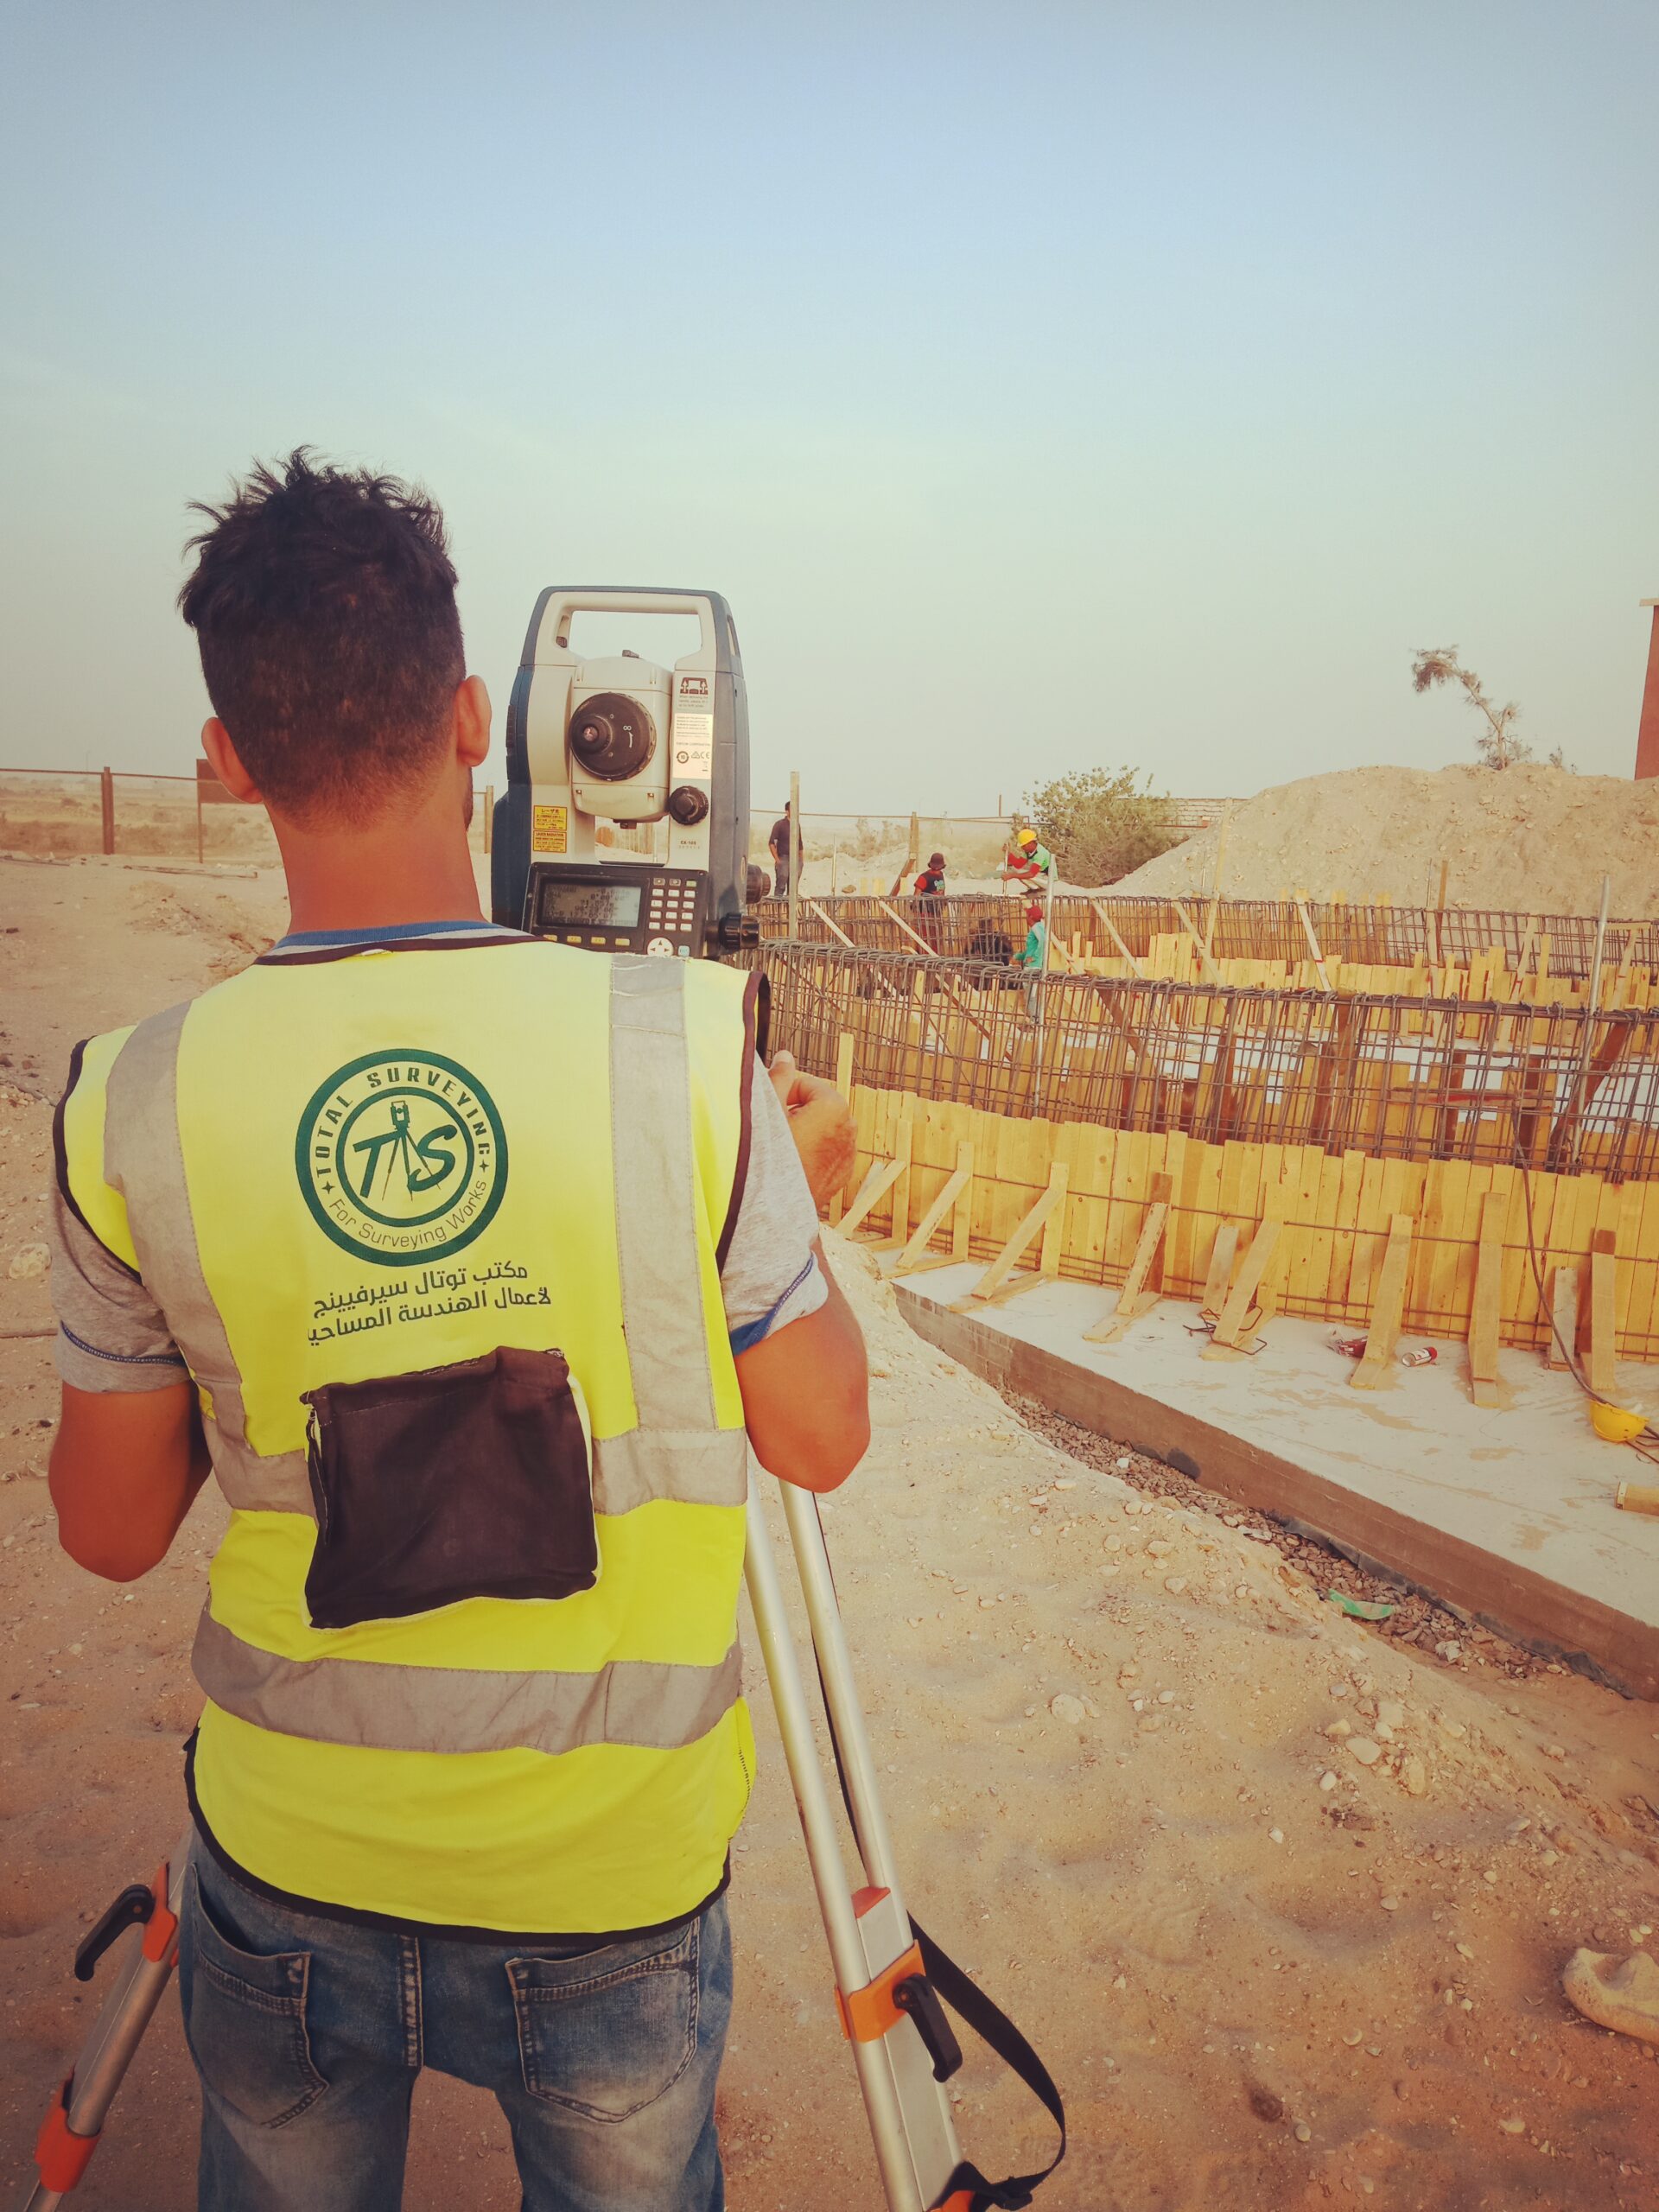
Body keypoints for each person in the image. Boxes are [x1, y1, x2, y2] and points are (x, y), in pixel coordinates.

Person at [45, 450, 870, 2212]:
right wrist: (779, 1199)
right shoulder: (683, 1051)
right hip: (610, 1886)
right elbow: (820, 1435)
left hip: (288, 1868)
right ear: (478, 718)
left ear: (226, 758)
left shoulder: (130, 1102)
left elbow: (108, 1531)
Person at [999, 824, 1052, 890]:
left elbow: (1031, 874)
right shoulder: (1028, 852)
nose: (1022, 848)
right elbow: (1018, 865)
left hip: (1049, 881)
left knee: (1020, 873)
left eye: (1024, 845)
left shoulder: (1040, 853)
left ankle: (1038, 890)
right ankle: (1035, 889)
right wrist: (1008, 853)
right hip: (1041, 876)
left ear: (1030, 843)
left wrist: (1012, 875)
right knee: (1014, 870)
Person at [912, 849, 946, 949]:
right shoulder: (924, 877)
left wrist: (942, 904)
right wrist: (914, 908)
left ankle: (934, 955)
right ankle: (926, 954)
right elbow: (917, 894)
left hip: (936, 912)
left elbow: (942, 891)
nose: (937, 868)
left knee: (936, 937)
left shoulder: (940, 875)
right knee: (926, 937)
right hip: (925, 912)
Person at [768, 800, 799, 897]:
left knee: (793, 888)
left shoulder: (797, 826)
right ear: (787, 811)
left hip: (795, 859)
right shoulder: (779, 825)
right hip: (783, 858)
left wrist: (801, 860)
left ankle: (790, 906)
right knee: (781, 886)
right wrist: (778, 860)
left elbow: (800, 845)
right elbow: (771, 843)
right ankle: (778, 904)